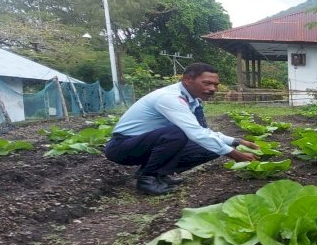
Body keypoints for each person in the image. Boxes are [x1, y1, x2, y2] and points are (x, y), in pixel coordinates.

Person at [104, 62, 258, 195]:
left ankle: (158, 173)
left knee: (210, 148)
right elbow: (196, 133)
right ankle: (147, 179)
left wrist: (235, 141)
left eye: (215, 85)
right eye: (207, 83)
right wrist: (236, 155)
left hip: (145, 144)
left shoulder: (193, 101)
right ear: (187, 80)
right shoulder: (170, 98)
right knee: (179, 133)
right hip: (122, 147)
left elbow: (203, 132)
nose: (213, 88)